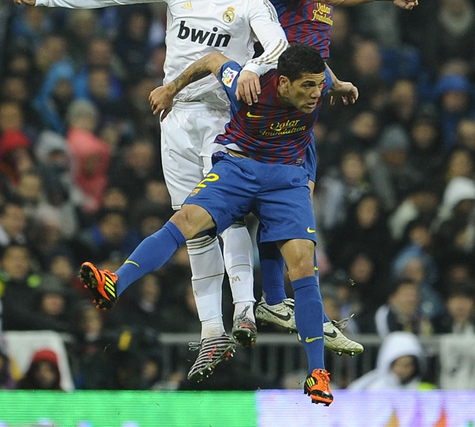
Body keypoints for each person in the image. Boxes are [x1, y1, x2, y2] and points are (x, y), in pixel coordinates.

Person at [11, 0, 289, 377]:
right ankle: (211, 332)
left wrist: (251, 69)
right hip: (175, 118)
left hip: (223, 119)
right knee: (192, 225)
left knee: (227, 211)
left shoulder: (251, 1)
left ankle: (244, 307)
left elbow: (277, 46)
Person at [80, 44, 358, 405]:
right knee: (184, 220)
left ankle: (317, 373)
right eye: (307, 86)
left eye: (319, 85)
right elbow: (213, 59)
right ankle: (115, 281)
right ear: (284, 82)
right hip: (237, 168)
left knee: (304, 265)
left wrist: (342, 85)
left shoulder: (319, 86)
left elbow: (329, 79)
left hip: (286, 178)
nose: (315, 94)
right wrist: (171, 88)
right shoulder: (249, 85)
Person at [238, 0, 418, 352]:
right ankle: (272, 299)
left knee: (297, 208)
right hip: (277, 105)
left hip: (306, 111)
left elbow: (307, 47)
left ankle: (276, 301)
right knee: (285, 208)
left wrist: (334, 82)